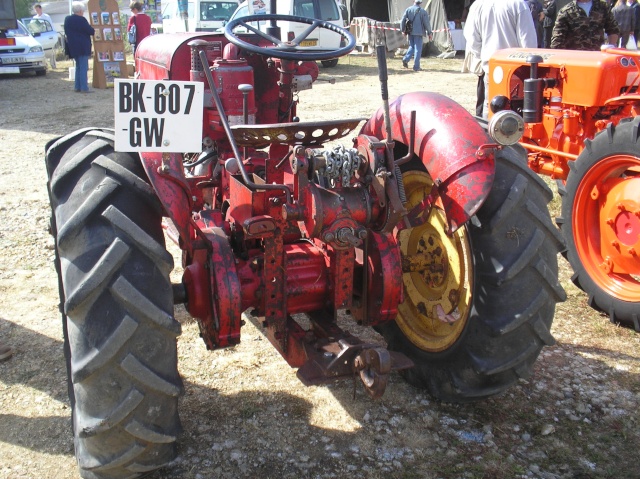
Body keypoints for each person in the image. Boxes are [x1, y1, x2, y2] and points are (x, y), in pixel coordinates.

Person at [465, 0, 538, 118]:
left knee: (490, 108)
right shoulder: (518, 4)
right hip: (515, 70)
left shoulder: (478, 5)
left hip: (491, 66)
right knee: (515, 111)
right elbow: (528, 43)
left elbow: (472, 39)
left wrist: (483, 57)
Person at [551, 0, 619, 50]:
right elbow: (557, 41)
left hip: (598, 56)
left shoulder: (603, 7)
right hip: (575, 59)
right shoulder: (566, 11)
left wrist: (610, 47)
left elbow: (613, 29)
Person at [64, 2, 95, 93]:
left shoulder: (67, 19)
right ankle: (84, 87)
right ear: (81, 11)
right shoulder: (82, 20)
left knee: (78, 66)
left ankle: (77, 86)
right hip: (82, 46)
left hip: (72, 46)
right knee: (83, 67)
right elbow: (90, 31)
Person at [400, 0, 432, 72]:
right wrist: (430, 33)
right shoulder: (423, 11)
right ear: (420, 3)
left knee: (411, 46)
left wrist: (403, 30)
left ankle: (405, 59)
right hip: (419, 32)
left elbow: (403, 20)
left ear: (414, 1)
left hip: (410, 32)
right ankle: (416, 66)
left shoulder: (408, 9)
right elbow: (426, 23)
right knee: (418, 49)